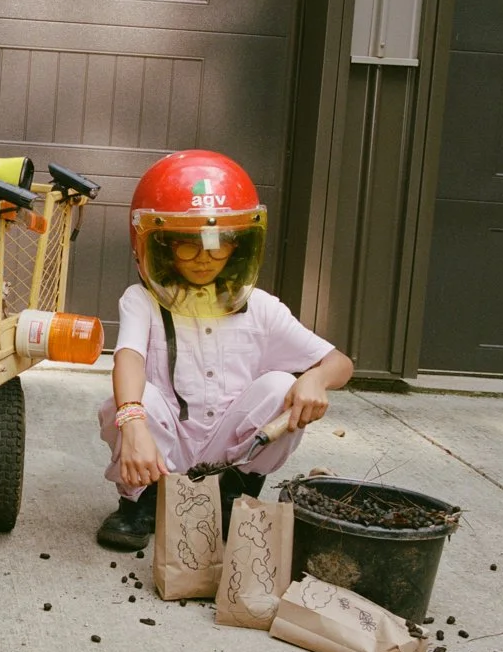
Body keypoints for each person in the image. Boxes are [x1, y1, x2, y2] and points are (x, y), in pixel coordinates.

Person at [96, 150, 354, 551]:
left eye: (219, 246)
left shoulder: (262, 307)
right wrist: (131, 421)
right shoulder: (142, 301)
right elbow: (128, 355)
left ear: (239, 246)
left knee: (281, 386)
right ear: (159, 244)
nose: (204, 259)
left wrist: (316, 380)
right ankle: (140, 503)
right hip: (164, 446)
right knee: (130, 398)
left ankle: (235, 495)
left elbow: (339, 361)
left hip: (233, 448)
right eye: (188, 246)